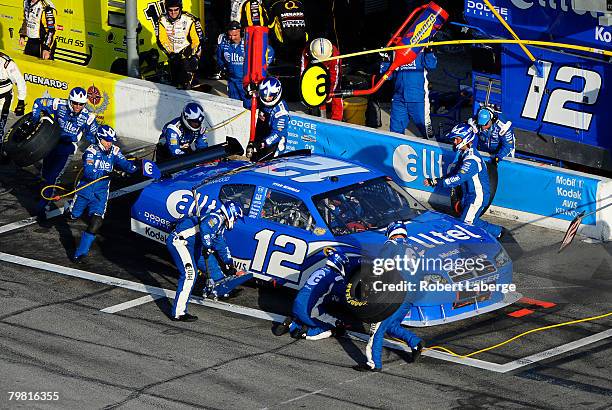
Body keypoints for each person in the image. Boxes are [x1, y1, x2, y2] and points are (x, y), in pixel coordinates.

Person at [354, 222, 423, 372]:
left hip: (397, 291)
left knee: (378, 327)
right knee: (391, 326)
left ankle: (373, 363)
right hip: (413, 292)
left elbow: (379, 267)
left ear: (390, 232)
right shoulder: (414, 248)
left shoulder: (390, 244)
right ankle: (415, 342)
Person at [68, 125, 138, 263]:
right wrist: (108, 173)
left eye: (111, 140)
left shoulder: (115, 151)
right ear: (99, 139)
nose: (109, 143)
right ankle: (69, 207)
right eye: (106, 140)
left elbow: (125, 164)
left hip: (100, 194)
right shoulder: (90, 152)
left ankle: (80, 253)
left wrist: (138, 168)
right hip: (84, 191)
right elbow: (89, 172)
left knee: (97, 221)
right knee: (73, 215)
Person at [167, 200, 244, 321]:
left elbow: (221, 244)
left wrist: (229, 262)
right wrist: (207, 245)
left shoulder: (220, 225)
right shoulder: (216, 218)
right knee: (190, 275)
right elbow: (204, 227)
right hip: (180, 242)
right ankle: (178, 313)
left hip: (194, 246)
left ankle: (222, 289)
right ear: (231, 213)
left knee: (212, 265)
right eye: (236, 218)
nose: (235, 221)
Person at [424, 123, 503, 238]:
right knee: (472, 220)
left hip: (477, 197)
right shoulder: (464, 154)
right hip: (469, 195)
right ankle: (497, 231)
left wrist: (437, 182)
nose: (454, 142)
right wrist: (437, 180)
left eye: (457, 139)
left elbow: (458, 178)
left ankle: (464, 250)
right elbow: (455, 172)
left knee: (462, 227)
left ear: (466, 138)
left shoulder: (472, 160)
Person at [32, 87, 99, 220]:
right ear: (69, 100)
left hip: (67, 148)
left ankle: (43, 207)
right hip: (51, 142)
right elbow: (38, 103)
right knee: (45, 173)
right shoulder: (59, 104)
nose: (77, 106)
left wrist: (93, 146)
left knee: (53, 177)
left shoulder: (89, 117)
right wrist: (36, 120)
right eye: (75, 103)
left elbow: (95, 136)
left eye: (81, 104)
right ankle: (44, 194)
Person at [274, 248, 349, 340]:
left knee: (319, 308)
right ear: (340, 263)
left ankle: (292, 324)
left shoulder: (319, 270)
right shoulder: (336, 277)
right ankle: (305, 333)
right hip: (309, 312)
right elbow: (344, 296)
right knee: (336, 326)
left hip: (295, 306)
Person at [216, 20, 274, 106]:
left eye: (235, 35)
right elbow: (219, 57)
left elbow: (269, 51)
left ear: (241, 32)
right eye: (230, 35)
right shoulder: (224, 42)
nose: (232, 38)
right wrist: (223, 68)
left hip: (246, 82)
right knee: (234, 105)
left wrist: (265, 65)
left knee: (249, 106)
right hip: (232, 81)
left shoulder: (248, 42)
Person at [388, 48, 437, 139]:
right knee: (395, 135)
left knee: (428, 135)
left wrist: (429, 51)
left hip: (418, 98)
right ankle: (398, 152)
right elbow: (389, 76)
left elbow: (432, 65)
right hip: (399, 99)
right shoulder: (396, 49)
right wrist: (385, 61)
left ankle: (437, 151)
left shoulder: (421, 47)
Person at [156, 0, 203, 89]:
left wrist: (191, 53)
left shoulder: (190, 19)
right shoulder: (162, 19)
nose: (173, 13)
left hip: (187, 51)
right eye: (170, 10)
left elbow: (197, 40)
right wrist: (170, 53)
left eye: (176, 10)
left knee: (185, 79)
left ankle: (189, 84)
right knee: (174, 81)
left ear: (180, 9)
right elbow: (161, 39)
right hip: (173, 52)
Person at [300, 38, 342, 121]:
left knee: (337, 92)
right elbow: (303, 72)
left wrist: (330, 93)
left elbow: (335, 76)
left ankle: (337, 120)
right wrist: (306, 92)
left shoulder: (335, 54)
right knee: (316, 91)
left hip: (331, 70)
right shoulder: (306, 52)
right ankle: (321, 117)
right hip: (314, 70)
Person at [251, 77, 289, 161]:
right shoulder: (261, 97)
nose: (266, 98)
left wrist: (264, 143)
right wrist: (249, 94)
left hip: (274, 144)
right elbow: (248, 105)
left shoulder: (281, 112)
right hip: (262, 135)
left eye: (270, 97)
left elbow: (278, 133)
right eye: (264, 96)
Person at [0, 52, 27, 164]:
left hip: (3, 99)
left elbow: (20, 81)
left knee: (0, 125)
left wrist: (21, 100)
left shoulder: (7, 63)